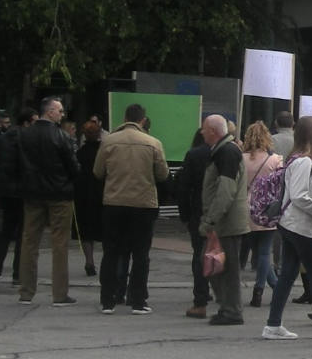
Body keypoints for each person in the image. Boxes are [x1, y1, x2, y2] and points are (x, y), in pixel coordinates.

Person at [263, 116, 312, 341]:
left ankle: (273, 324)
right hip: (300, 225)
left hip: (289, 223)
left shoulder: (295, 158)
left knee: (288, 273)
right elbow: (300, 197)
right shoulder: (305, 161)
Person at [93, 103, 170, 314]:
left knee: (111, 252)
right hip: (143, 204)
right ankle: (138, 300)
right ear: (142, 120)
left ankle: (107, 300)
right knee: (141, 254)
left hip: (114, 203)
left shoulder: (109, 142)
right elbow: (162, 175)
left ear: (125, 117)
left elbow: (98, 171)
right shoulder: (153, 143)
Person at [14, 97, 79, 306]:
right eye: (59, 111)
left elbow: (18, 164)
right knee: (59, 244)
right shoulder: (61, 137)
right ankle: (59, 294)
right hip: (59, 195)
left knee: (29, 242)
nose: (62, 115)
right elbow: (73, 167)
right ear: (50, 112)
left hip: (32, 195)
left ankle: (26, 291)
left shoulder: (24, 135)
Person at [199, 114, 250, 325]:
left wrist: (211, 220)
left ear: (213, 131)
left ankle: (231, 310)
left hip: (226, 221)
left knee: (223, 267)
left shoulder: (226, 152)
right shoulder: (224, 150)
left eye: (204, 128)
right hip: (225, 220)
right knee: (215, 264)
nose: (201, 132)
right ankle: (227, 306)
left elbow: (225, 190)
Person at [0, 108, 36, 287]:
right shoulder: (27, 140)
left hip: (5, 190)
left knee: (5, 232)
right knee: (23, 234)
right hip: (23, 191)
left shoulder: (4, 139)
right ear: (26, 123)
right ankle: (18, 274)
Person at [243, 121, 283, 308]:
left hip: (246, 207)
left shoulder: (240, 158)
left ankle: (270, 286)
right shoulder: (275, 159)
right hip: (267, 207)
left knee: (257, 251)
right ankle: (266, 287)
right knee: (265, 251)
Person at [175, 128, 213, 319]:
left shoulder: (193, 155)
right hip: (218, 212)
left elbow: (184, 187)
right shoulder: (225, 152)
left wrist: (184, 214)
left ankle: (201, 296)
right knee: (217, 253)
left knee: (199, 254)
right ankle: (216, 291)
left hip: (197, 212)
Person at [73, 121, 104, 277]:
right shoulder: (104, 151)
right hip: (102, 193)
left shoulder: (80, 153)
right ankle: (107, 259)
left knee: (86, 230)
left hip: (83, 195)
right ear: (99, 133)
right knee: (105, 228)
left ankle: (89, 261)